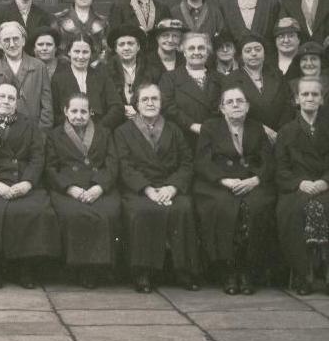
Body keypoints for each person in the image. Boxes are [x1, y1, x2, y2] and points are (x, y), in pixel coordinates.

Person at [0, 83, 60, 289]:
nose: (6, 101)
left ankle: (24, 266)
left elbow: (38, 157)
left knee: (33, 210)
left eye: (11, 98)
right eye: (2, 97)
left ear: (17, 102)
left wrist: (27, 183)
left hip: (24, 182)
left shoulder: (29, 125)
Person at [114, 83, 200, 292]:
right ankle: (143, 272)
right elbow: (124, 166)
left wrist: (173, 187)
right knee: (143, 211)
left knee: (183, 208)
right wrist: (148, 189)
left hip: (169, 186)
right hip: (139, 189)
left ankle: (183, 271)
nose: (150, 103)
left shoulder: (174, 129)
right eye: (145, 99)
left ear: (161, 103)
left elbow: (187, 162)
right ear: (136, 104)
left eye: (155, 99)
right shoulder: (123, 132)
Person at [195, 86, 277, 295]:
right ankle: (228, 271)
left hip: (252, 182)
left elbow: (268, 160)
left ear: (248, 106)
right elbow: (202, 162)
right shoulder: (210, 127)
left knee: (257, 206)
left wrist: (255, 180)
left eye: (240, 101)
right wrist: (224, 180)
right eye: (229, 102)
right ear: (222, 108)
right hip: (219, 184)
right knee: (222, 207)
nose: (235, 105)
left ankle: (249, 271)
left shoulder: (257, 127)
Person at [44, 93, 120, 289]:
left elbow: (112, 164)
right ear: (65, 112)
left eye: (83, 111)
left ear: (91, 113)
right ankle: (79, 268)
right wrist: (70, 188)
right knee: (75, 214)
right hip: (68, 188)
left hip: (98, 186)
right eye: (74, 111)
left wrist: (99, 187)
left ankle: (100, 268)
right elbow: (51, 168)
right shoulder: (54, 135)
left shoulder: (104, 132)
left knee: (108, 212)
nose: (79, 115)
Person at [275, 77, 329, 295]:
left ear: (322, 100)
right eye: (305, 94)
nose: (309, 98)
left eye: (314, 94)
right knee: (293, 212)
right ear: (297, 99)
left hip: (325, 186)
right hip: (296, 189)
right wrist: (301, 182)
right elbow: (280, 168)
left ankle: (326, 274)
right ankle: (302, 274)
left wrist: (325, 180)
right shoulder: (286, 131)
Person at [224, 34, 294, 143]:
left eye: (258, 49)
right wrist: (262, 129)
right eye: (248, 50)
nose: (253, 53)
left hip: (281, 136)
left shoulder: (276, 74)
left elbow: (288, 103)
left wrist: (281, 132)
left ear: (264, 52)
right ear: (241, 56)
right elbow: (231, 111)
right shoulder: (232, 80)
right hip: (249, 138)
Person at [0, 21, 53, 129]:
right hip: (4, 135)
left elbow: (47, 107)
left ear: (23, 41)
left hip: (34, 133)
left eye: (16, 38)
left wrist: (41, 135)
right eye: (6, 40)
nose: (12, 44)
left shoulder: (39, 67)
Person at [160, 32, 222, 148]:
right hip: (182, 139)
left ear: (208, 52)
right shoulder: (170, 78)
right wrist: (191, 125)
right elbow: (167, 107)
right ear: (184, 52)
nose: (197, 52)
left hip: (214, 138)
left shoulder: (220, 78)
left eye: (201, 48)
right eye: (191, 48)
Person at [50, 34, 123, 130]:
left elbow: (117, 107)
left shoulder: (101, 76)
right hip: (68, 134)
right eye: (76, 51)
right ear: (69, 52)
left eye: (85, 52)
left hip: (99, 132)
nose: (80, 56)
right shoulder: (58, 78)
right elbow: (54, 113)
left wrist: (99, 127)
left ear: (91, 53)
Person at [105, 25, 159, 121]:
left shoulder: (152, 70)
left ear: (138, 47)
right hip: (115, 122)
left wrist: (139, 113)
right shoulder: (105, 72)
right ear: (116, 49)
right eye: (121, 44)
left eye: (130, 43)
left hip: (146, 121)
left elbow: (158, 100)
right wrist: (122, 109)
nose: (126, 48)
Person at [54, 0, 108, 64]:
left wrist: (98, 63)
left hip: (95, 71)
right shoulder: (59, 20)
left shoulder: (103, 22)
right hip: (65, 71)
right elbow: (54, 50)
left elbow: (106, 51)